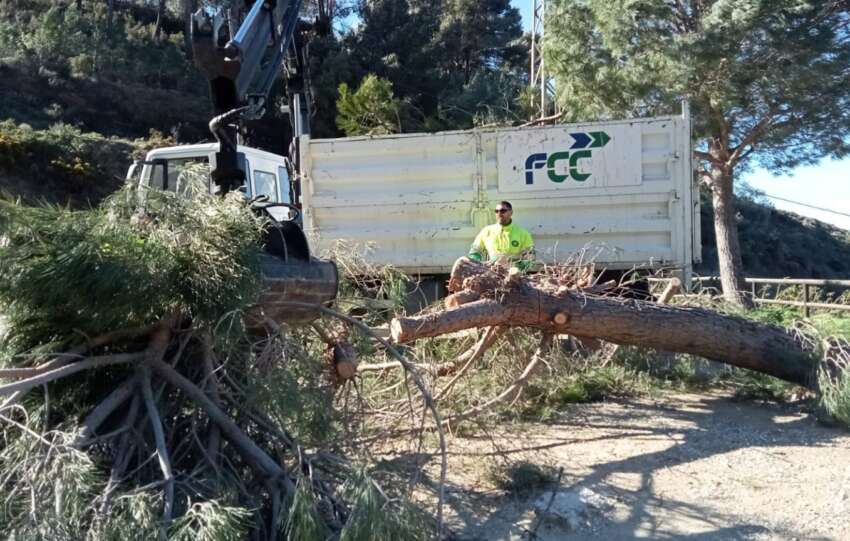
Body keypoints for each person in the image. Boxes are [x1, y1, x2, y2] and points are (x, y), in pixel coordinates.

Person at [468, 200, 535, 270]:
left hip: (514, 276)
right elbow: (474, 252)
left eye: (503, 211)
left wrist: (515, 266)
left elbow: (530, 258)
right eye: (496, 211)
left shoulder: (523, 233)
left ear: (511, 212)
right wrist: (479, 266)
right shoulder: (486, 231)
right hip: (491, 274)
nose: (499, 213)